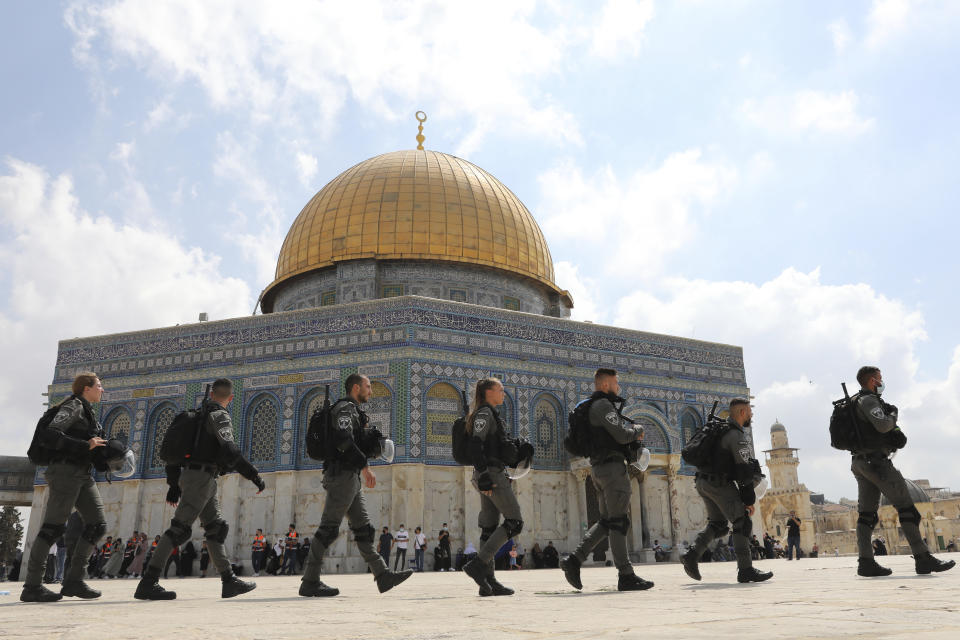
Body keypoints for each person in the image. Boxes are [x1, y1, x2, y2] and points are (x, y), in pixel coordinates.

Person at [135, 378, 265, 600]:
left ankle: (228, 580)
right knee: (179, 528)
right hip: (201, 478)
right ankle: (148, 582)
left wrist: (173, 484)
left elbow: (175, 454)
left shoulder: (195, 417)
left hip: (197, 477)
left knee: (215, 527)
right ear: (230, 398)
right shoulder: (219, 415)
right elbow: (231, 451)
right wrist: (253, 475)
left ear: (211, 393)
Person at [299, 374, 413, 597]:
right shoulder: (344, 409)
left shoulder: (354, 411)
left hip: (349, 477)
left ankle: (382, 574)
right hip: (342, 476)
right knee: (328, 528)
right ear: (355, 388)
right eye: (368, 387)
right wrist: (365, 466)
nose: (371, 391)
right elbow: (344, 440)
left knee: (363, 528)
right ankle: (310, 581)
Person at [849, 366, 955, 577]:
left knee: (867, 515)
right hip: (877, 464)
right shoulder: (868, 400)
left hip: (860, 462)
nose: (881, 382)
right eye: (879, 379)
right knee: (907, 509)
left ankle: (866, 562)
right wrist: (893, 417)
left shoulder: (852, 402)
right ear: (872, 381)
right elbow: (882, 425)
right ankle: (923, 558)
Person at [560, 369, 654, 593]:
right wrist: (637, 430)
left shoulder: (596, 407)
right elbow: (621, 435)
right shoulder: (603, 406)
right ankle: (626, 574)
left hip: (600, 468)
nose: (618, 388)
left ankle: (574, 560)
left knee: (607, 522)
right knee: (619, 521)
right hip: (612, 470)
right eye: (615, 383)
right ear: (604, 385)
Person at [21, 373, 110, 602]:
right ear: (86, 388)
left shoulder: (89, 413)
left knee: (97, 525)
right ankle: (32, 586)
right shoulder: (74, 406)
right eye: (99, 386)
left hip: (82, 474)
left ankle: (73, 581)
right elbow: (51, 434)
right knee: (53, 528)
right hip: (65, 472)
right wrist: (85, 444)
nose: (102, 390)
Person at [681, 398, 773, 584]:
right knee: (741, 521)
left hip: (702, 481)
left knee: (718, 525)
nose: (751, 415)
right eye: (749, 412)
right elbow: (744, 471)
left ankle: (692, 555)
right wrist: (748, 501)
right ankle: (746, 570)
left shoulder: (718, 429)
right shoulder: (736, 435)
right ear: (741, 413)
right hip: (718, 483)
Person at [461, 377, 523, 597]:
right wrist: (486, 475)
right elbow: (475, 443)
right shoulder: (485, 413)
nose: (503, 393)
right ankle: (479, 564)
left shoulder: (488, 413)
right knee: (514, 522)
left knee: (488, 527)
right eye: (500, 389)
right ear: (488, 392)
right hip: (490, 474)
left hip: (489, 472)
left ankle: (487, 582)